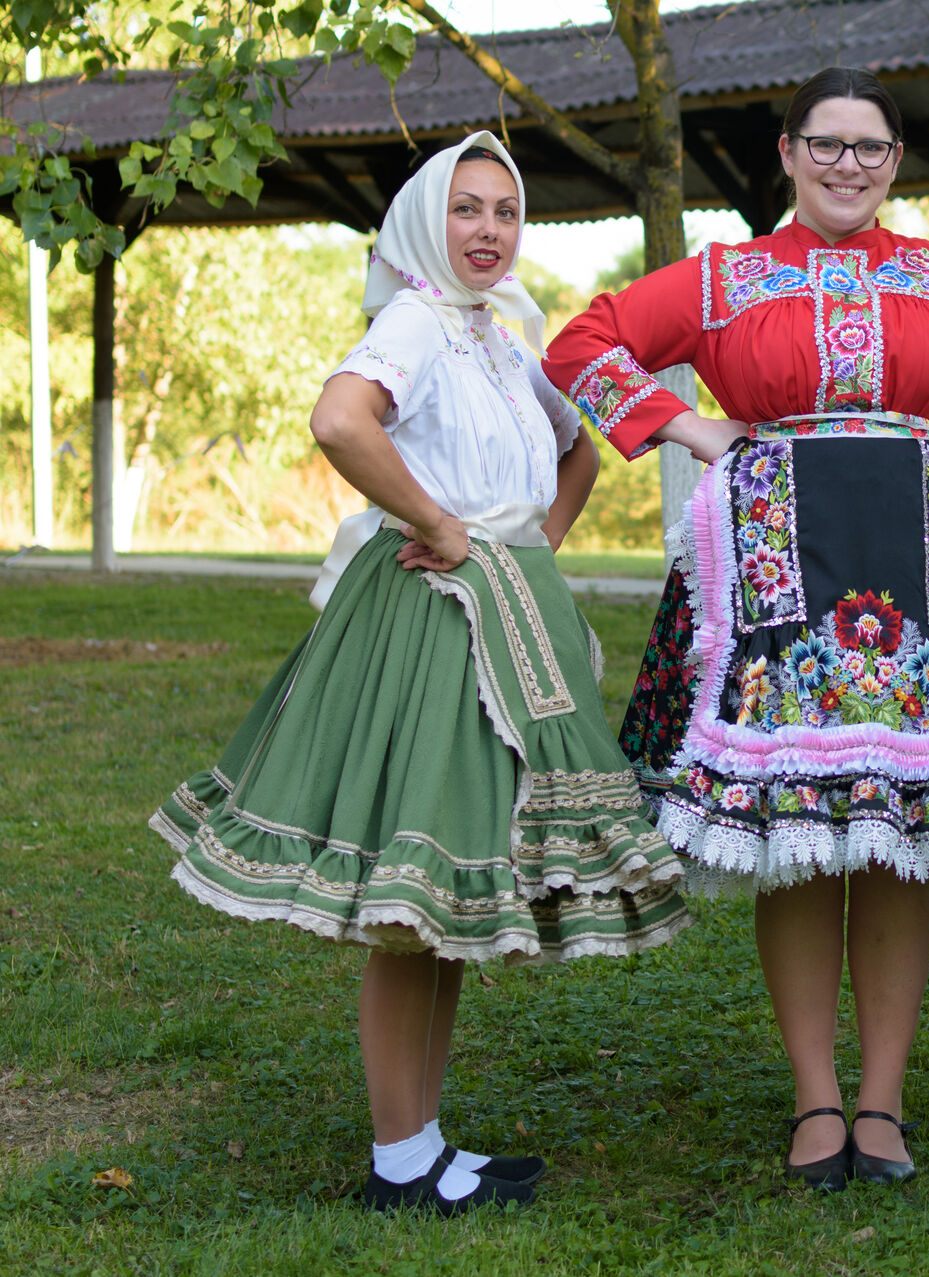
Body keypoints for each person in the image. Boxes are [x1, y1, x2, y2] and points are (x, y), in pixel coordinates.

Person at [543, 67, 929, 1190]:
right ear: (787, 151)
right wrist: (690, 427)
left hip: (919, 559)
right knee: (799, 834)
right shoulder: (723, 278)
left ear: (895, 161)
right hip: (773, 561)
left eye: (869, 147)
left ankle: (882, 1099)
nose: (847, 165)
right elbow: (581, 344)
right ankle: (816, 1095)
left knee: (900, 831)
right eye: (826, 143)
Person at [150, 133, 692, 1215]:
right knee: (416, 897)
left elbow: (578, 446)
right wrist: (442, 525)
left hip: (498, 607)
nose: (489, 229)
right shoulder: (413, 320)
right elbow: (338, 420)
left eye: (505, 210)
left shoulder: (497, 333)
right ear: (422, 223)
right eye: (465, 208)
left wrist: (529, 548)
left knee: (451, 900)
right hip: (433, 624)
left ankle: (424, 1144)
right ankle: (400, 1160)